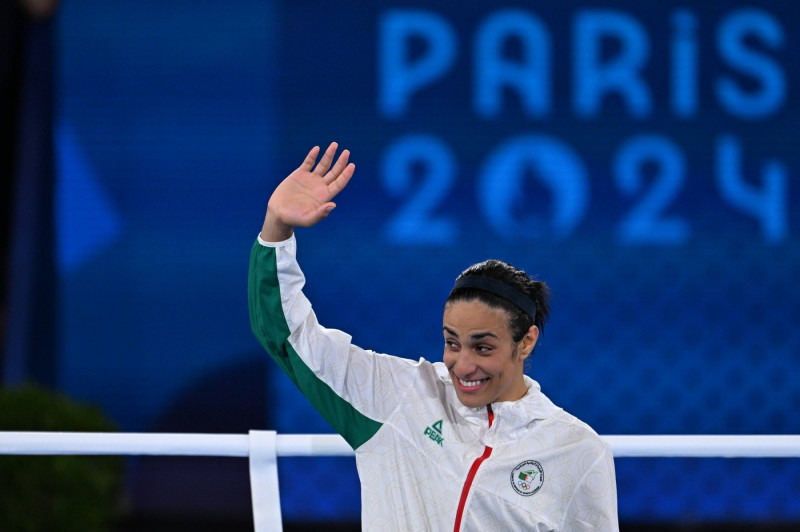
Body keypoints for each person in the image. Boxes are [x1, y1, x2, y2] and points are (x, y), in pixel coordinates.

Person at [249, 143, 619, 530]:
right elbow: (287, 335)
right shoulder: (398, 397)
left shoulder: (577, 451)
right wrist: (277, 228)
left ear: (525, 342)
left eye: (483, 346)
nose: (463, 364)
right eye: (452, 342)